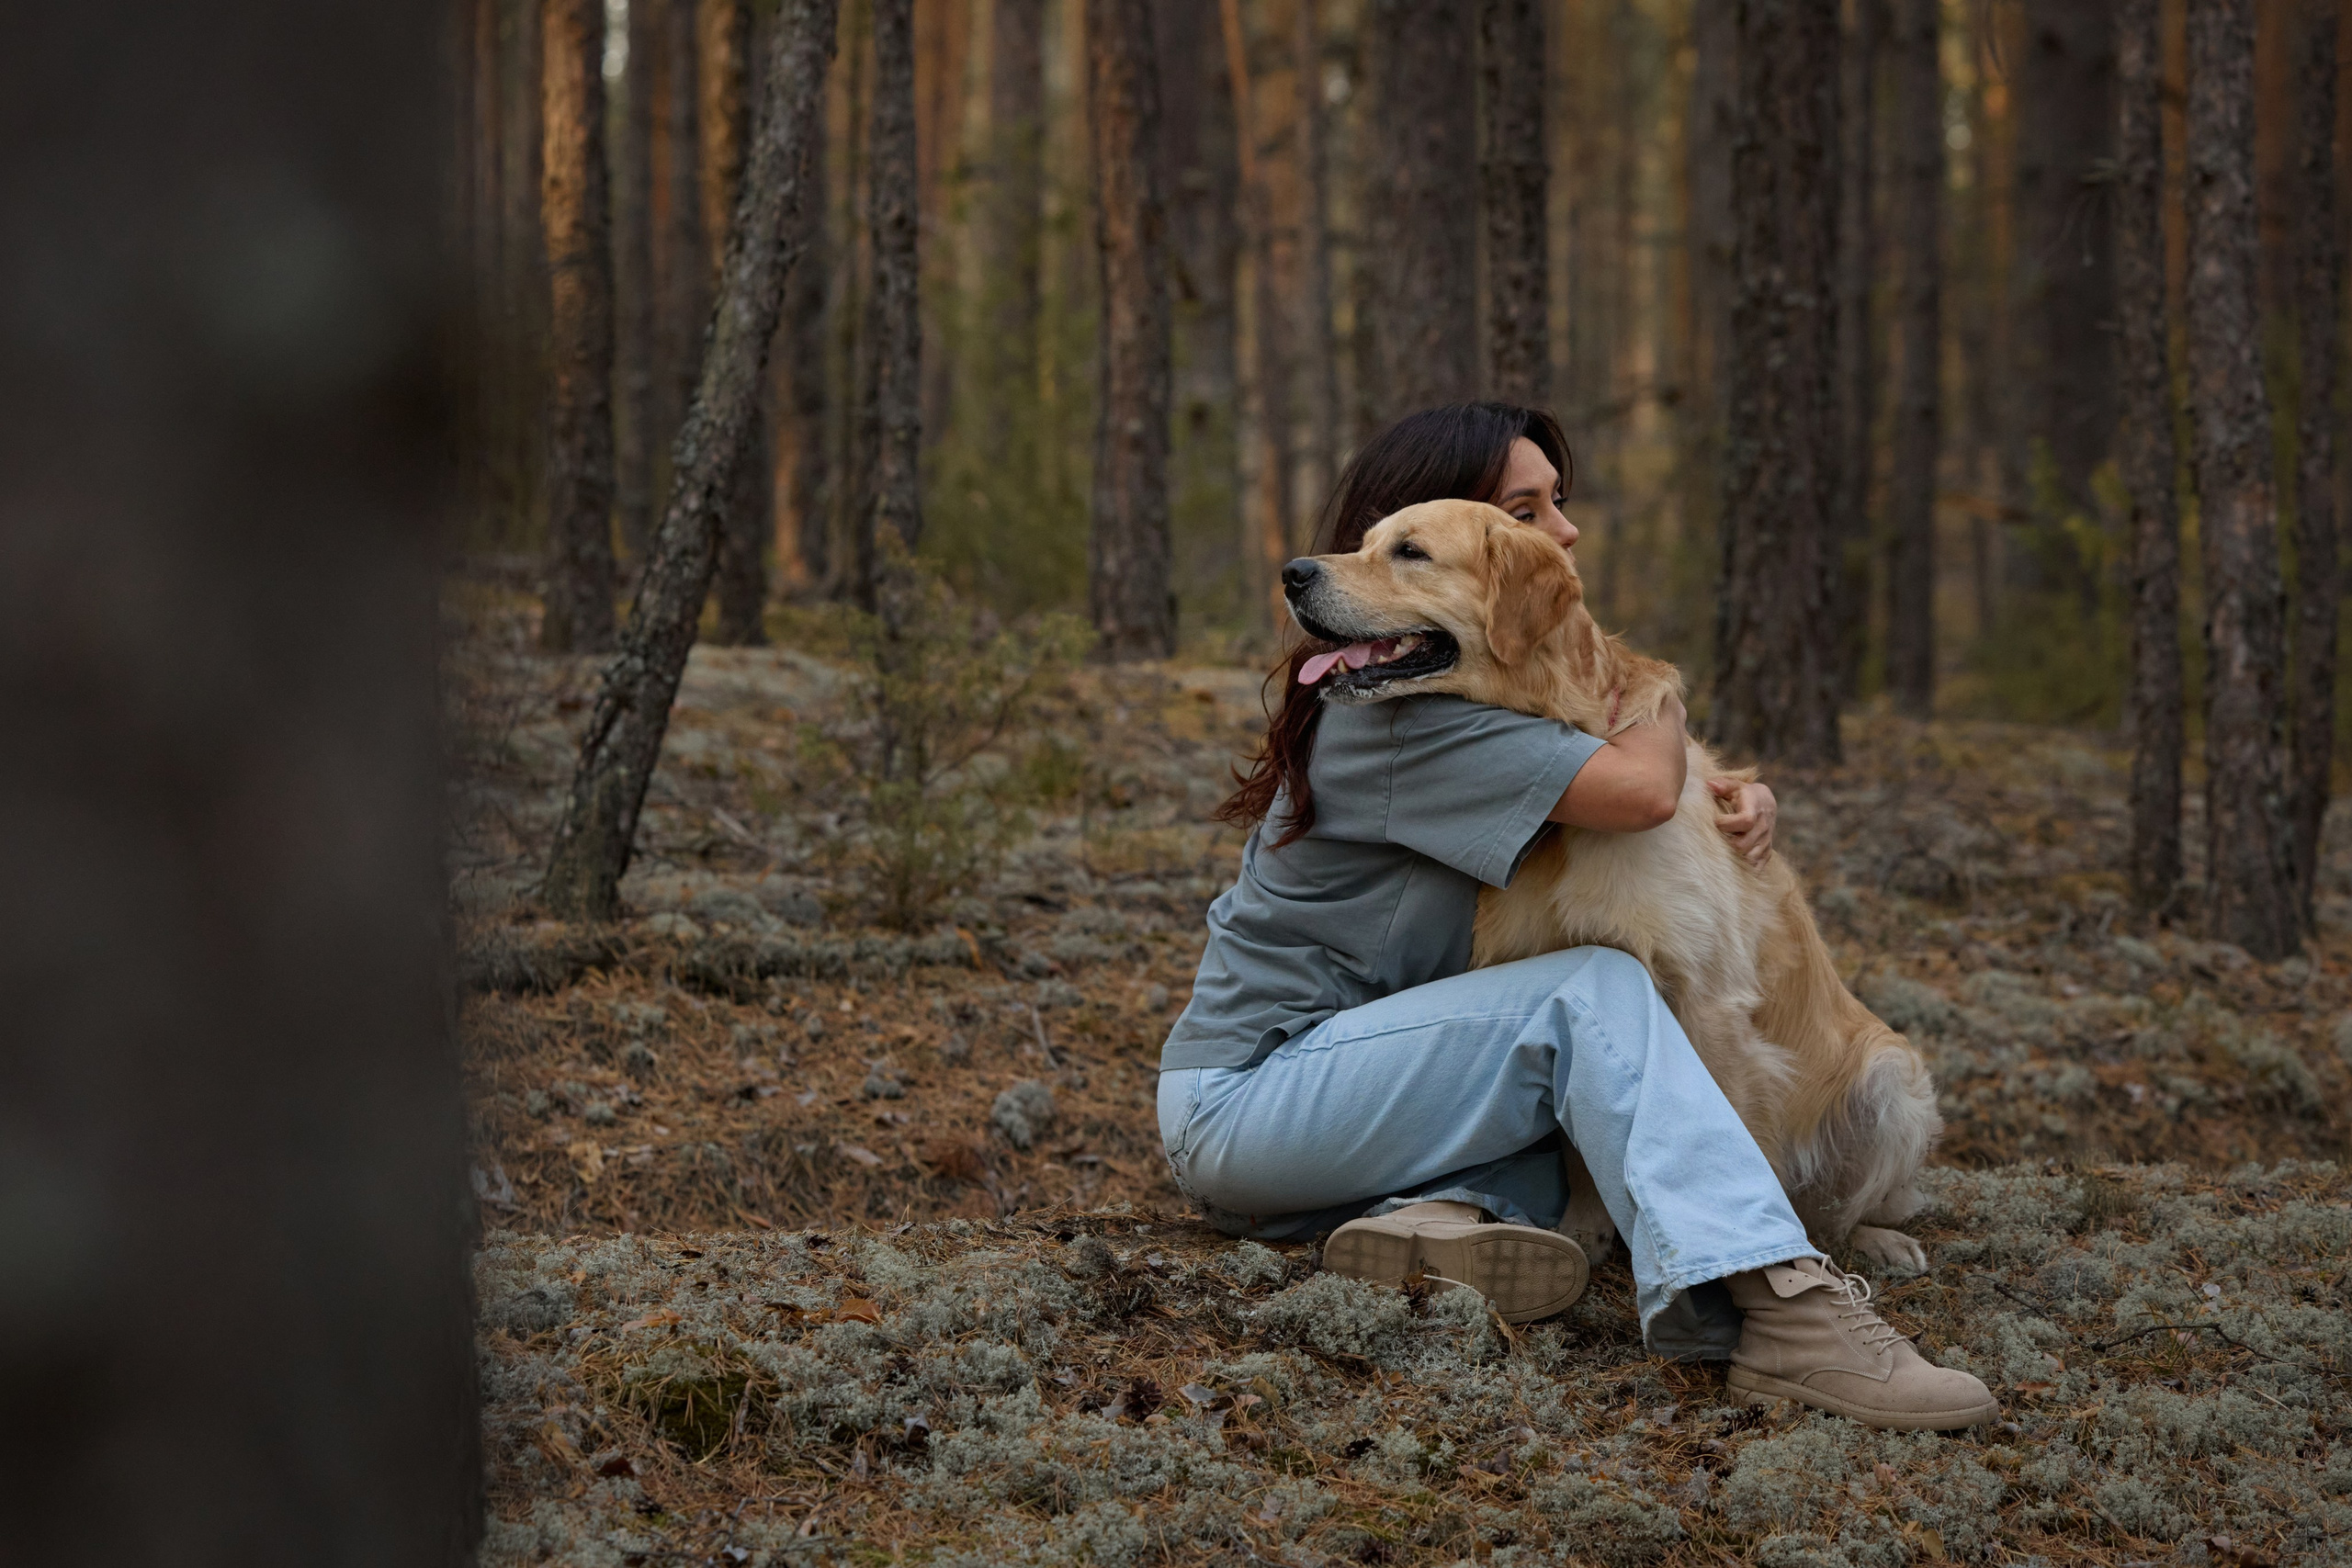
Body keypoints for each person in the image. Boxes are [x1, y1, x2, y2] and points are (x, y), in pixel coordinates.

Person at [1159, 402, 1996, 1431]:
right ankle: (1782, 1309)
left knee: (1562, 1004)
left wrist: (1721, 783)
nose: (1564, 535)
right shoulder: (1399, 729)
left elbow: (1618, 775)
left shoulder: (1469, 709)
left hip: (1369, 1098)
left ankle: (1433, 1221)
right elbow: (1639, 791)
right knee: (1594, 988)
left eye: (1558, 503)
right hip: (1259, 1104)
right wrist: (1664, 706)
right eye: (1523, 508)